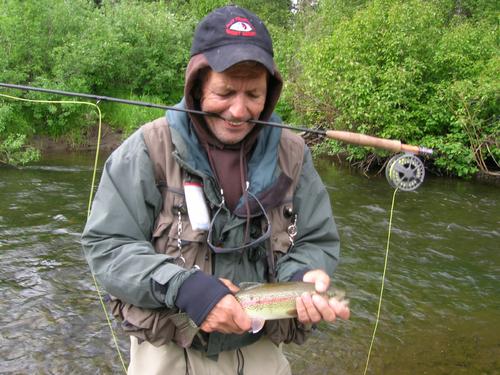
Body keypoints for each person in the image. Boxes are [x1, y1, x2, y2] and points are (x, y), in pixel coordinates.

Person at [81, 5, 349, 375]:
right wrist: (185, 288)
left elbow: (316, 240)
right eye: (225, 92)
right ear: (197, 85)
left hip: (259, 350)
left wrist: (306, 274)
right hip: (168, 350)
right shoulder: (147, 150)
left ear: (269, 94)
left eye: (253, 94)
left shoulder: (293, 155)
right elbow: (106, 246)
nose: (239, 110)